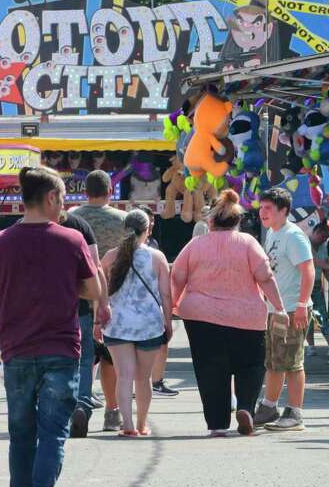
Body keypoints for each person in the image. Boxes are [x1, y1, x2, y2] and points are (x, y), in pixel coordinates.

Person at [0, 166, 102, 487]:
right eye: (61, 200)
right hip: (60, 348)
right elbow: (94, 290)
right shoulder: (71, 240)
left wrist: (13, 291)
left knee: (21, 434)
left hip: (16, 349)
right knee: (53, 433)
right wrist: (60, 288)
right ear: (50, 198)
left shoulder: (0, 242)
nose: (63, 208)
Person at [172, 189, 285, 436]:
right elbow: (265, 277)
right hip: (247, 317)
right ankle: (245, 406)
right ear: (238, 221)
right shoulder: (248, 243)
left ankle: (217, 424)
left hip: (200, 317)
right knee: (251, 365)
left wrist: (172, 305)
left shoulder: (195, 244)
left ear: (210, 221)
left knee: (210, 369)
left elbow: (177, 277)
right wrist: (279, 307)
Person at [99, 209, 173, 437]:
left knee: (124, 376)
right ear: (147, 230)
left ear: (124, 229)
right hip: (148, 325)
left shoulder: (110, 257)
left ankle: (128, 425)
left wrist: (97, 321)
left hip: (117, 325)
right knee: (143, 378)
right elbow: (166, 295)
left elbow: (100, 292)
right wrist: (168, 323)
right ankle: (142, 424)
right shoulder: (157, 258)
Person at [254, 187, 315, 432]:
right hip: (276, 309)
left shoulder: (293, 236)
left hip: (292, 309)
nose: (263, 212)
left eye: (268, 208)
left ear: (284, 211)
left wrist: (301, 305)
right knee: (274, 361)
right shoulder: (272, 233)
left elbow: (308, 270)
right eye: (261, 207)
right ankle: (269, 407)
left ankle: (295, 412)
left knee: (292, 362)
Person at [70, 170, 125, 430]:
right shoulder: (123, 220)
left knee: (79, 355)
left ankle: (77, 404)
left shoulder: (73, 217)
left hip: (79, 293)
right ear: (110, 191)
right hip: (116, 296)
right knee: (110, 357)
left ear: (85, 191)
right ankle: (112, 412)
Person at [60, 209, 102, 437]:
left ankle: (58, 410)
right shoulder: (80, 226)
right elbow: (95, 267)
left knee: (53, 359)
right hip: (80, 306)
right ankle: (82, 405)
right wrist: (100, 306)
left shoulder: (22, 226)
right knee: (84, 358)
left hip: (39, 309)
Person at [307, 220, 329, 352]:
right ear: (316, 232)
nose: (324, 240)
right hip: (303, 285)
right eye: (322, 237)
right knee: (307, 317)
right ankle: (311, 346)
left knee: (322, 315)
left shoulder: (323, 246)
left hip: (317, 284)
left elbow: (325, 269)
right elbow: (314, 261)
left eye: (326, 238)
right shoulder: (305, 242)